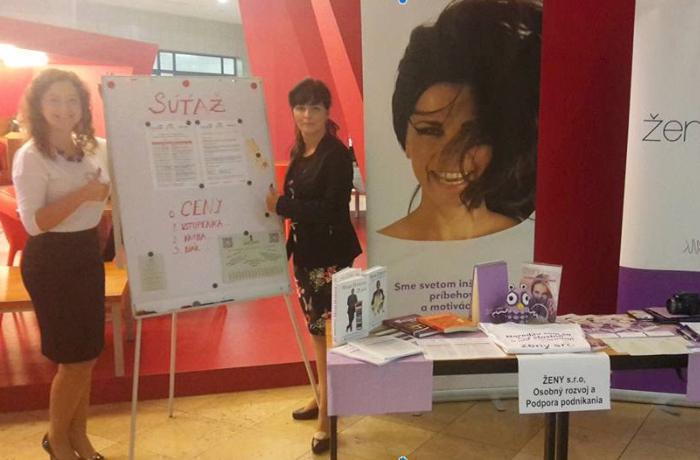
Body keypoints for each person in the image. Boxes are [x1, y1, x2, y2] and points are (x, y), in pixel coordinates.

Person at [379, 0, 541, 241]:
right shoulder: (386, 244)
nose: (451, 157)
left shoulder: (522, 241)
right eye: (431, 131)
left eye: (473, 135)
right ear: (405, 138)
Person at [13, 69, 110, 460]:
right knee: (74, 361)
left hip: (86, 254)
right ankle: (57, 440)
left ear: (83, 106)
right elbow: (34, 223)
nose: (64, 108)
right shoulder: (30, 156)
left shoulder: (92, 146)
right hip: (51, 261)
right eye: (54, 99)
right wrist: (85, 194)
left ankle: (78, 436)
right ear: (38, 105)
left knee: (87, 356)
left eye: (72, 100)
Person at [266, 78, 362, 454]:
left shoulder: (335, 155)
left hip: (330, 257)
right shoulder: (300, 150)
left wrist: (282, 206)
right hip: (306, 255)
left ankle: (327, 416)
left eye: (315, 107)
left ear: (326, 112)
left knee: (326, 334)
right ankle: (322, 395)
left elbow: (331, 210)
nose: (307, 114)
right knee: (316, 331)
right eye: (301, 107)